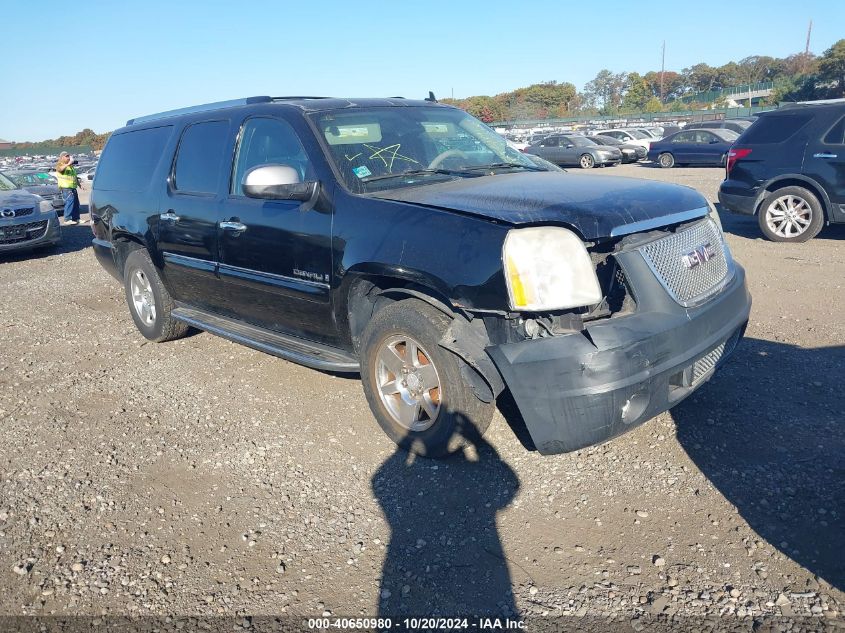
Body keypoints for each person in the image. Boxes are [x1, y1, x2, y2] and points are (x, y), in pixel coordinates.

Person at [55, 151, 85, 225]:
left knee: (76, 203)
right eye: (67, 156)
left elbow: (74, 177)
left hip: (72, 187)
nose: (69, 157)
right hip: (66, 188)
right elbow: (60, 170)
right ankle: (67, 219)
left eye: (69, 156)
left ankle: (76, 218)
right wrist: (68, 163)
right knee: (69, 202)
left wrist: (80, 185)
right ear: (62, 157)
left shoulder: (70, 166)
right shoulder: (60, 164)